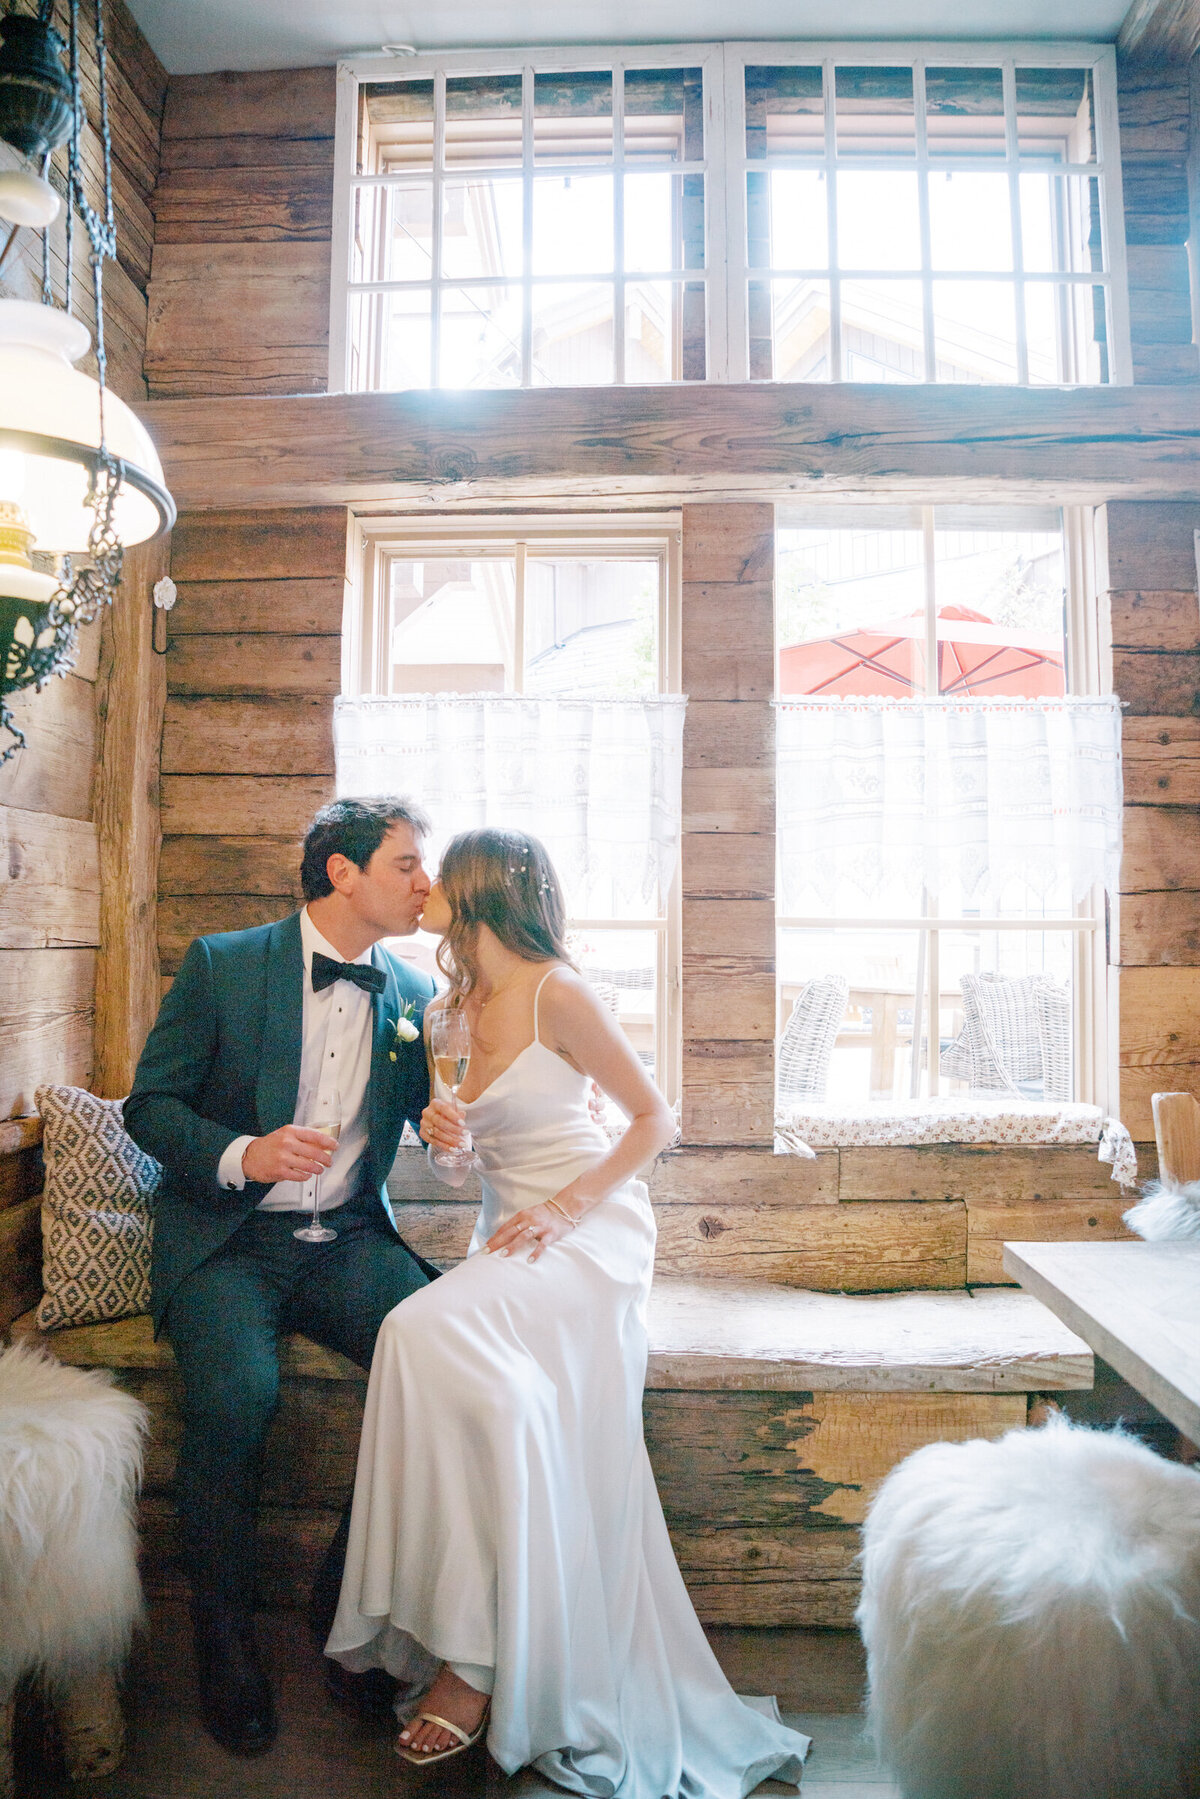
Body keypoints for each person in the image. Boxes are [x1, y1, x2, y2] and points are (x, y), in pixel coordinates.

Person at [327, 828, 810, 1792]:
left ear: (476, 898)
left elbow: (655, 1120)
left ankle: (476, 1664)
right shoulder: (448, 1010)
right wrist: (447, 1137)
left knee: (414, 1326)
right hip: (511, 1239)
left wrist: (563, 1207)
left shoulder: (561, 991)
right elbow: (465, 1160)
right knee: (497, 1401)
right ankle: (484, 1646)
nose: (422, 890)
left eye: (438, 880)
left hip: (589, 1233)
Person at [123, 797, 440, 1756]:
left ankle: (346, 1613)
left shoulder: (415, 997)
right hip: (229, 1242)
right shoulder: (225, 964)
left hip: (347, 1241)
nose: (426, 883)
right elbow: (150, 1108)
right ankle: (224, 1641)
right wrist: (243, 1153)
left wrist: (466, 1128)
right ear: (342, 873)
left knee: (447, 1359)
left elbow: (441, 1120)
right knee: (237, 1395)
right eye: (407, 865)